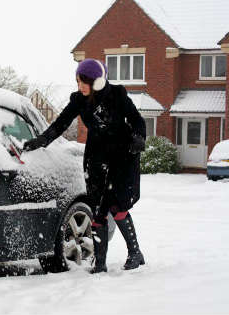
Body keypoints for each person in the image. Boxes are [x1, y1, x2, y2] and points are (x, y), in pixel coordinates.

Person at [24, 58, 146, 273]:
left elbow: (137, 120)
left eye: (83, 82)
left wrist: (139, 138)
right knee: (97, 209)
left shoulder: (117, 95)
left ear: (96, 81)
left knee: (118, 207)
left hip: (122, 157)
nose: (79, 86)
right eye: (77, 81)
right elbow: (60, 123)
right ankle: (100, 263)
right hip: (97, 158)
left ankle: (135, 252)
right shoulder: (79, 100)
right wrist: (41, 140)